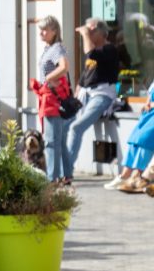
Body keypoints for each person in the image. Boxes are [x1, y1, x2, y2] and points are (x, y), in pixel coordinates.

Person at [67, 18, 120, 180]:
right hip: (86, 94)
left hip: (102, 95)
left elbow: (90, 52)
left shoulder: (109, 49)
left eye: (91, 31)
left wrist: (84, 33)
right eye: (88, 32)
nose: (88, 34)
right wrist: (75, 94)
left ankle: (65, 172)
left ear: (101, 33)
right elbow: (85, 77)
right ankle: (57, 168)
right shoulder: (94, 53)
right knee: (64, 125)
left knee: (76, 127)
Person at [28, 16, 74, 183]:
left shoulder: (56, 48)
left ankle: (52, 178)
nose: (41, 32)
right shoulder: (50, 48)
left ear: (54, 31)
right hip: (53, 99)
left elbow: (64, 66)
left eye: (45, 29)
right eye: (40, 29)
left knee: (51, 141)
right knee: (59, 141)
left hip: (51, 100)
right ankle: (66, 174)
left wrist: (47, 78)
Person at [108, 80, 154, 193]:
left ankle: (138, 176)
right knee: (135, 140)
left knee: (145, 140)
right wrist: (147, 103)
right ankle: (125, 174)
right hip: (149, 114)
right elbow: (150, 95)